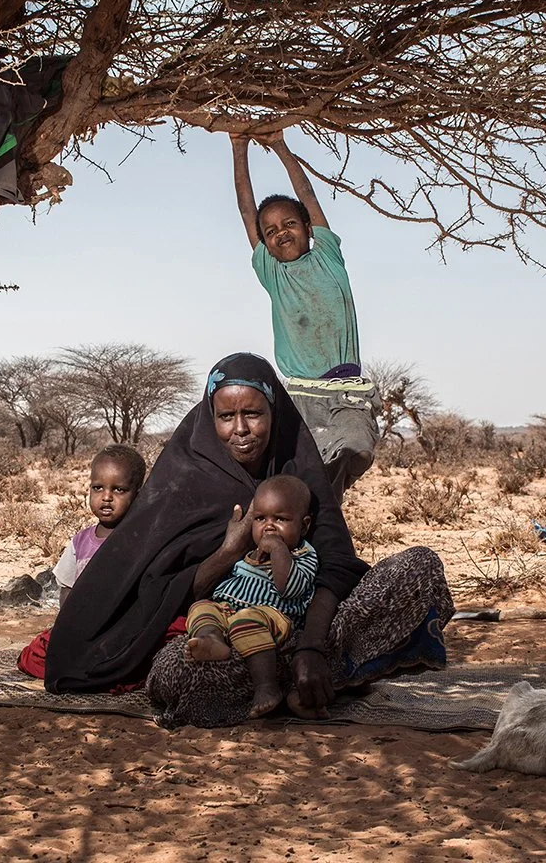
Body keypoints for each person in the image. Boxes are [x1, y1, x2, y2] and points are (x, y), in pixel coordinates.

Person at [41, 353, 454, 728]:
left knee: (420, 568)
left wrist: (311, 646)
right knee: (173, 674)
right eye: (226, 417)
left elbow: (338, 564)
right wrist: (229, 551)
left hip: (310, 625)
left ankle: (306, 671)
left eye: (253, 413)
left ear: (273, 411)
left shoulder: (297, 466)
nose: (240, 430)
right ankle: (319, 676)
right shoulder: (186, 475)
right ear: (210, 416)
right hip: (232, 630)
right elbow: (165, 590)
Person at [230, 129, 380, 498]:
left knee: (356, 447)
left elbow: (308, 196)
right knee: (299, 484)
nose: (281, 233)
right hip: (299, 396)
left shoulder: (328, 256)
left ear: (308, 228)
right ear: (263, 241)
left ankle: (322, 509)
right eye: (271, 231)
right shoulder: (273, 273)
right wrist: (239, 146)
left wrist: (280, 145)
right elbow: (247, 210)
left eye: (290, 224)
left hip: (345, 391)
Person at [185, 474, 319, 717]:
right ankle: (212, 639)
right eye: (260, 518)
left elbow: (289, 588)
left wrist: (278, 549)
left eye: (281, 519)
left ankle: (266, 686)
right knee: (201, 607)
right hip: (231, 610)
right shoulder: (248, 551)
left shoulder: (303, 554)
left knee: (247, 620)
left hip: (273, 617)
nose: (268, 526)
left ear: (304, 525)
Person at [52, 444, 147, 607]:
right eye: (98, 488)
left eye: (118, 489)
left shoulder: (141, 541)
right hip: (83, 625)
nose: (106, 497)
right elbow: (67, 588)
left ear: (137, 496)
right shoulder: (79, 542)